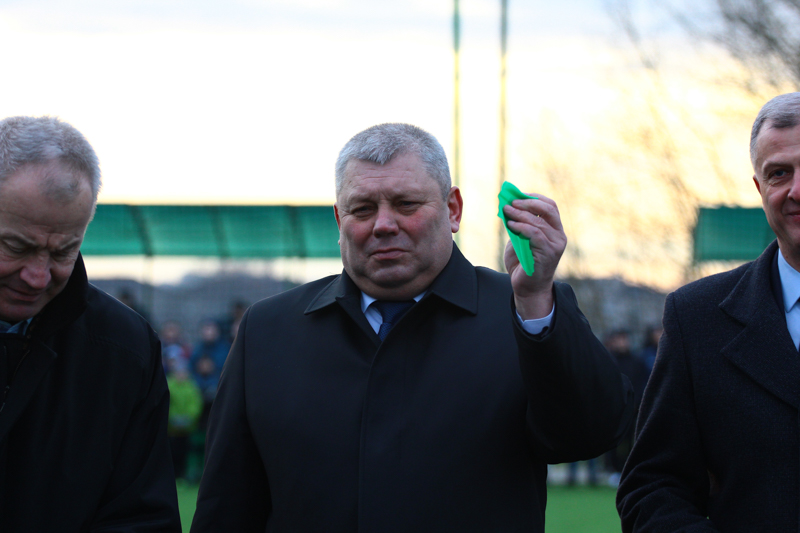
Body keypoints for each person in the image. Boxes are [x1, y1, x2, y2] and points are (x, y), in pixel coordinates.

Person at [191, 123, 633, 532]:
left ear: (453, 210)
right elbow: (227, 504)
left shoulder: (523, 310)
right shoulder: (268, 330)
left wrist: (535, 301)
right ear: (339, 221)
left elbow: (588, 435)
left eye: (406, 204)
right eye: (362, 209)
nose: (384, 225)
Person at [617, 92, 800, 532]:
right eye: (779, 173)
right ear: (759, 188)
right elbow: (651, 488)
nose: (796, 190)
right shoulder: (697, 318)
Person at [0, 116, 181, 531]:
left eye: (63, 252)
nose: (38, 277)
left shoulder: (125, 349)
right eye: (16, 246)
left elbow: (142, 518)